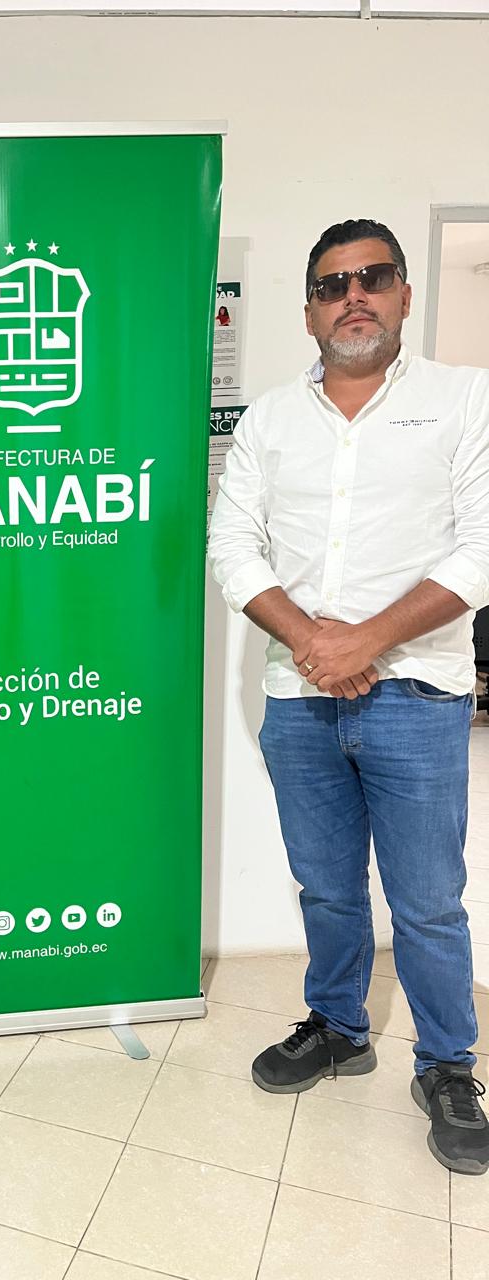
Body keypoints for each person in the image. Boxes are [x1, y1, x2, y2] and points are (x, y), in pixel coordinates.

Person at [208, 218, 489, 1176]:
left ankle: (448, 1065)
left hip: (417, 693)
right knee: (326, 884)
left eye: (372, 277)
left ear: (405, 293)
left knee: (428, 901)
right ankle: (338, 1025)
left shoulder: (464, 400)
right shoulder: (268, 421)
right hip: (300, 697)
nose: (353, 296)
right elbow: (231, 546)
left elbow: (481, 549)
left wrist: (364, 640)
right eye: (332, 285)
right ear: (309, 313)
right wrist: (312, 642)